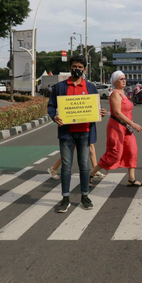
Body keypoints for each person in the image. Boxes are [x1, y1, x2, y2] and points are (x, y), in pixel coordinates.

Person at [47, 55, 107, 213]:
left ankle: (85, 196)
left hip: (85, 132)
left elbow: (96, 107)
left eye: (80, 68)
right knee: (66, 167)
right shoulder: (60, 87)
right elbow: (51, 106)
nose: (77, 70)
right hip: (67, 133)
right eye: (74, 67)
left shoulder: (91, 87)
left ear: (85, 70)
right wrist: (54, 116)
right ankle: (65, 198)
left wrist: (101, 112)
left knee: (84, 166)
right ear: (69, 68)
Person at [90, 71, 142, 186]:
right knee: (114, 154)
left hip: (127, 127)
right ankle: (91, 173)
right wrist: (133, 124)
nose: (124, 80)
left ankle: (131, 178)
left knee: (132, 151)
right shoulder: (115, 94)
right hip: (117, 127)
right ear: (115, 81)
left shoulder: (124, 93)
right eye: (121, 79)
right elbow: (117, 113)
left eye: (125, 78)